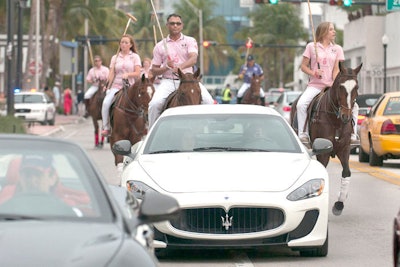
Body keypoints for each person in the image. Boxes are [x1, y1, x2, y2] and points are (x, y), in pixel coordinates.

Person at [296, 21, 359, 146]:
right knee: (301, 105)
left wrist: (336, 84)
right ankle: (303, 134)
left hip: (331, 86)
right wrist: (314, 72)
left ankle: (352, 134)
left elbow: (336, 69)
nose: (334, 32)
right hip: (315, 86)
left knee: (355, 106)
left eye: (333, 29)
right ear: (324, 32)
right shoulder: (311, 47)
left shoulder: (337, 49)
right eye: (331, 30)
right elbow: (303, 66)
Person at [148, 13, 214, 129]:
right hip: (168, 81)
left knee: (208, 101)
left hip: (188, 81)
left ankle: (206, 130)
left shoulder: (190, 41)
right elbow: (154, 70)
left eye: (178, 23)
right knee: (154, 104)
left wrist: (180, 67)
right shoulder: (159, 46)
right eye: (172, 23)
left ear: (182, 26)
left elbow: (193, 59)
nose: (175, 26)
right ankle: (152, 134)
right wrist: (165, 67)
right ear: (167, 25)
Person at [101, 34, 142, 136]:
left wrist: (128, 74)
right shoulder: (115, 57)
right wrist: (107, 84)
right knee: (106, 103)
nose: (123, 44)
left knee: (143, 104)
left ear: (131, 45)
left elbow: (137, 73)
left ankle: (144, 127)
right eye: (122, 42)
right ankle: (106, 127)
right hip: (117, 86)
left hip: (131, 87)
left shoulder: (135, 57)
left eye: (126, 42)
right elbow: (111, 73)